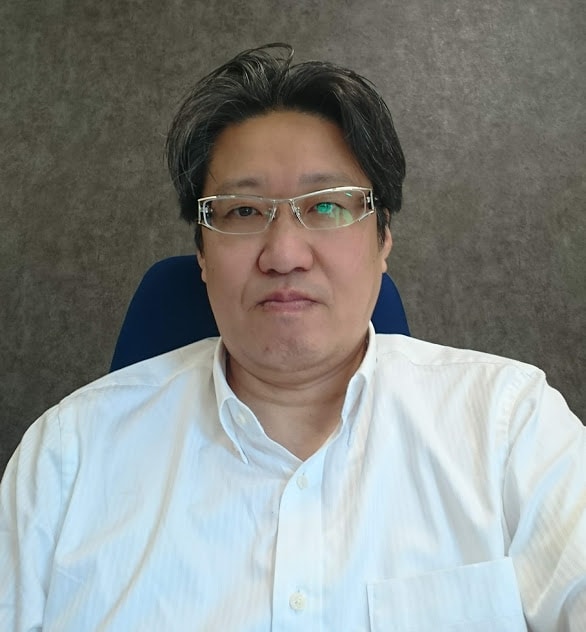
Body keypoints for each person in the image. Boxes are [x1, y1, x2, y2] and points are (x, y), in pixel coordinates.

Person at [1, 43, 584, 631]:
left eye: (326, 207)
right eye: (243, 211)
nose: (283, 254)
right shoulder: (67, 457)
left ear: (383, 238)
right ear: (201, 252)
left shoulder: (511, 425)